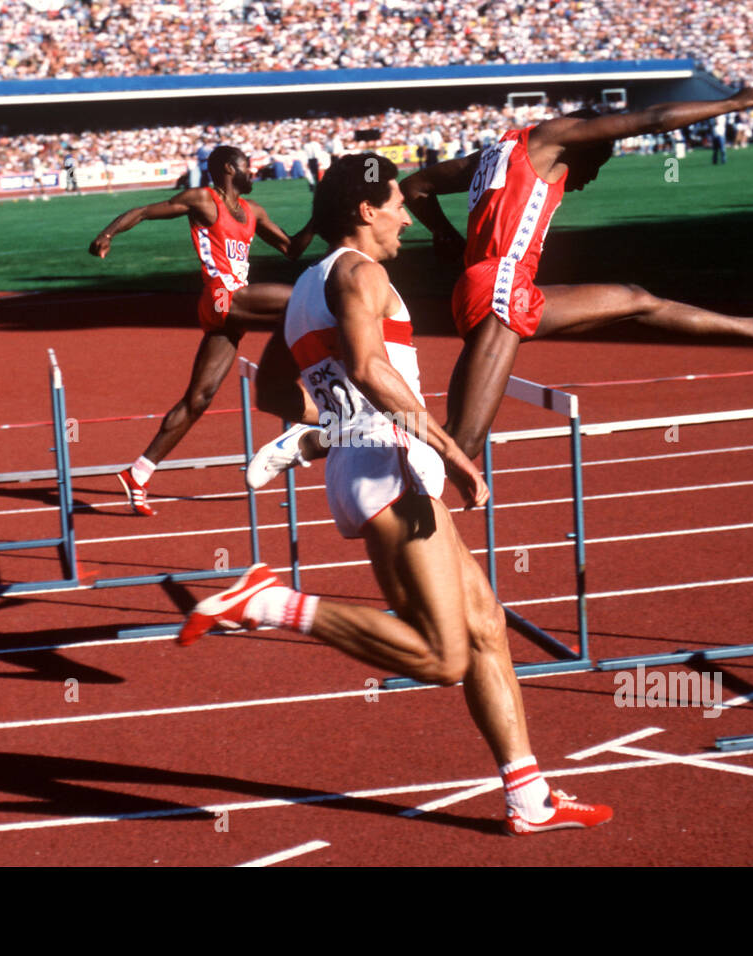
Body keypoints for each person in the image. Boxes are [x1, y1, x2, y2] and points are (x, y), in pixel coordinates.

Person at [182, 153, 612, 836]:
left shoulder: (304, 287)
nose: (408, 216)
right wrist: (447, 449)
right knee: (442, 656)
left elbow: (271, 391)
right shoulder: (360, 272)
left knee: (486, 627)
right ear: (366, 211)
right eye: (397, 204)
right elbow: (369, 367)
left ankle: (527, 797)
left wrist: (334, 428)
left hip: (365, 464)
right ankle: (268, 601)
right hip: (391, 467)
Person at [247, 88, 753, 481]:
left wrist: (445, 237)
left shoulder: (498, 150)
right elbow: (652, 119)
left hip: (496, 288)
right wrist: (733, 104)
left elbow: (416, 185)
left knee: (636, 300)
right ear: (585, 143)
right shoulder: (555, 137)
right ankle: (317, 440)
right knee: (462, 446)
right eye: (593, 167)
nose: (584, 183)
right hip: (498, 291)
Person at [89, 145, 315, 517]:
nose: (253, 172)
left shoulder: (254, 211)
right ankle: (296, 396)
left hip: (232, 314)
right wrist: (107, 233)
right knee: (302, 301)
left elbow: (292, 249)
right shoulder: (203, 200)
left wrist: (318, 219)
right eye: (248, 166)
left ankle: (138, 472)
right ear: (229, 168)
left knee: (199, 399)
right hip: (222, 298)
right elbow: (145, 211)